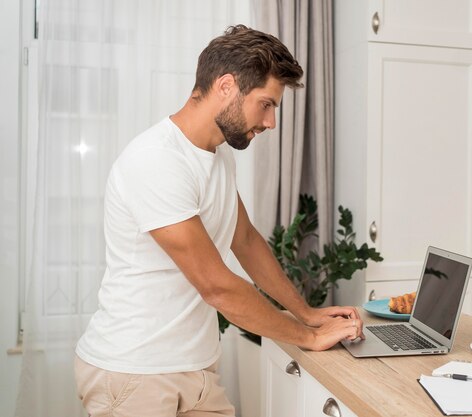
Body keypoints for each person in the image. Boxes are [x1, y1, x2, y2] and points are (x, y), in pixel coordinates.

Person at [74, 25, 364, 417]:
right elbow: (217, 287)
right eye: (266, 104)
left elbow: (245, 240)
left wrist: (306, 312)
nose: (271, 123)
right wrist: (308, 338)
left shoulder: (216, 155)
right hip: (135, 374)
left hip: (194, 371)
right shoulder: (157, 160)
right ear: (226, 86)